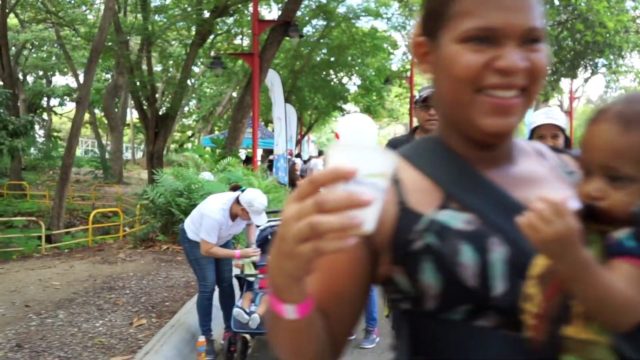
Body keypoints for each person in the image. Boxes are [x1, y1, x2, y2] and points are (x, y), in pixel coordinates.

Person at [265, 0, 582, 358]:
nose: (512, 62)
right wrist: (287, 281)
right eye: (481, 40)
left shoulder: (583, 175)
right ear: (426, 52)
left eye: (531, 41)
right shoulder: (382, 195)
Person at [517, 93, 640, 359]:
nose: (592, 189)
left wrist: (570, 256)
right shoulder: (597, 224)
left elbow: (622, 313)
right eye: (587, 173)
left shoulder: (630, 241)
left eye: (615, 179)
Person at [180, 185, 265, 360]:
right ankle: (206, 336)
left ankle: (230, 329)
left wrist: (252, 246)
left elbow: (251, 224)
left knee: (226, 283)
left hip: (222, 238)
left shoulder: (245, 205)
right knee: (208, 285)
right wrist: (239, 254)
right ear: (241, 209)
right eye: (249, 215)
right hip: (197, 242)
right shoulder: (214, 213)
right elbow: (206, 249)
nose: (250, 219)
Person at [385, 85, 439, 150]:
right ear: (414, 111)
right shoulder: (396, 146)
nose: (432, 112)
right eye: (425, 107)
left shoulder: (454, 147)